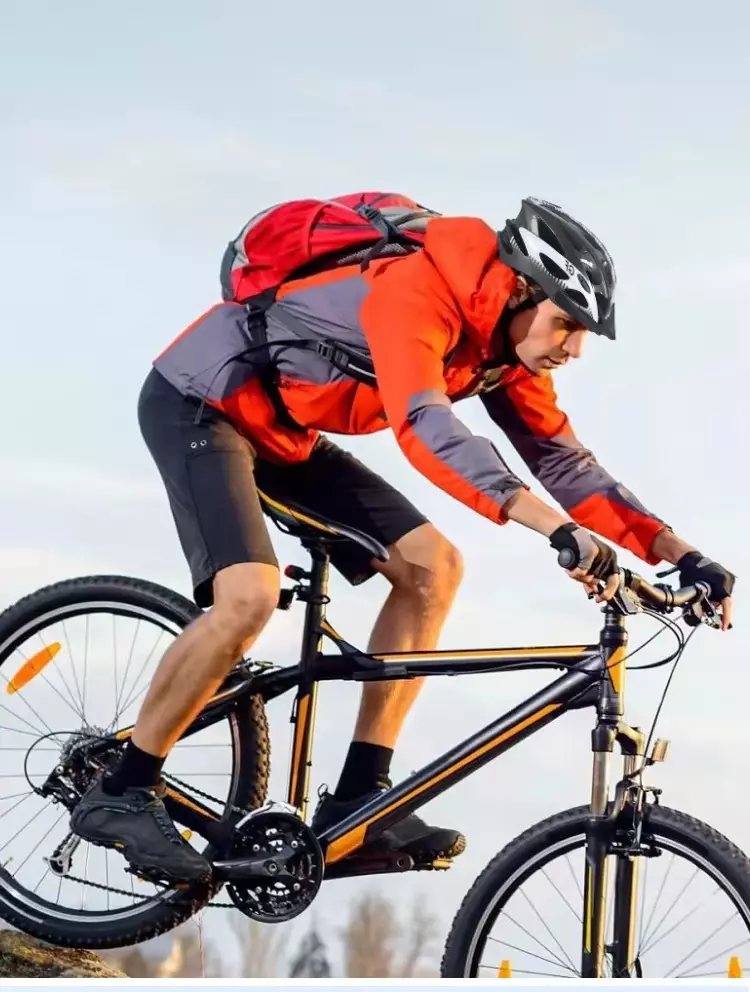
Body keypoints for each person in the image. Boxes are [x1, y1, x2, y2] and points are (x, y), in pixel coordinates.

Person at [70, 196, 735, 884]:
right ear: (520, 290)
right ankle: (123, 789)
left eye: (584, 333)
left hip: (288, 435)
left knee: (433, 569)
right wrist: (553, 528)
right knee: (250, 596)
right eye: (566, 323)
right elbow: (425, 425)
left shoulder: (505, 352)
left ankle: (362, 801)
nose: (574, 349)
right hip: (202, 405)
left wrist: (681, 553)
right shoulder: (414, 292)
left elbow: (564, 462)